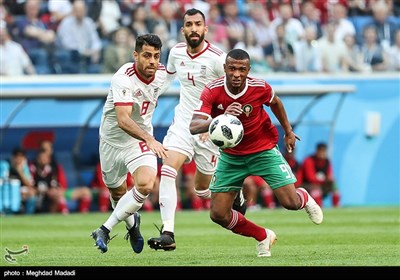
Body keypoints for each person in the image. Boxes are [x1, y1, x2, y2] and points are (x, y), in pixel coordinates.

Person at [189, 49, 323, 257]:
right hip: (231, 157)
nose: (236, 74)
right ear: (224, 68)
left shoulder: (260, 87)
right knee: (218, 214)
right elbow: (194, 126)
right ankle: (263, 236)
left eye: (242, 69)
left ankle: (303, 197)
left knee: (290, 203)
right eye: (232, 68)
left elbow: (276, 103)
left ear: (248, 70)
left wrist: (288, 131)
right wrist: (220, 118)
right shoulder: (212, 90)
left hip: (263, 151)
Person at [147, 8, 246, 252]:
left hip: (209, 128)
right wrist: (151, 95)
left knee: (202, 190)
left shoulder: (218, 58)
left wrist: (213, 122)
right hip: (183, 122)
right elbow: (168, 78)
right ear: (183, 30)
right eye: (189, 24)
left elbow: (229, 92)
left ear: (205, 28)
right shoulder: (176, 52)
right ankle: (168, 232)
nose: (193, 28)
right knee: (168, 169)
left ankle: (237, 194)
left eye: (198, 24)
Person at [90, 33, 168, 254]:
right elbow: (123, 120)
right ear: (135, 55)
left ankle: (105, 229)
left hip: (138, 142)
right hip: (112, 143)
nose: (152, 61)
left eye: (156, 56)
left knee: (145, 184)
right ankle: (133, 226)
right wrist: (150, 139)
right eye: (146, 55)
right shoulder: (122, 78)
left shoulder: (161, 74)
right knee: (118, 194)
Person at [300, 142, 340, 208]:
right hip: (306, 185)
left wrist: (330, 180)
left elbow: (329, 175)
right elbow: (310, 178)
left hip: (321, 185)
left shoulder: (327, 161)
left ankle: (336, 207)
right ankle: (318, 208)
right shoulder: (309, 160)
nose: (322, 153)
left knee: (334, 186)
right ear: (316, 151)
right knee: (316, 189)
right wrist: (325, 180)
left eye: (323, 151)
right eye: (320, 151)